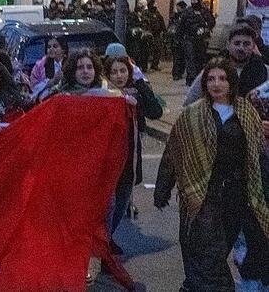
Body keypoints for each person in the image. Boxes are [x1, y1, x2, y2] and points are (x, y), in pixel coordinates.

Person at [155, 58, 269, 290]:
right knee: (209, 261)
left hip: (236, 196)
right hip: (203, 195)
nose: (217, 84)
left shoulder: (247, 112)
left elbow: (257, 156)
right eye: (211, 79)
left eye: (222, 78)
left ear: (231, 82)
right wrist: (163, 189)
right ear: (205, 83)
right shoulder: (192, 115)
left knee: (216, 254)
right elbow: (173, 152)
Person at [103, 56, 163, 243]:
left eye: (123, 71)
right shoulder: (101, 95)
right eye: (114, 72)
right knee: (109, 206)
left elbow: (155, 112)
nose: (119, 75)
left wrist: (141, 83)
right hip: (107, 163)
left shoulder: (136, 93)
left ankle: (107, 240)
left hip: (129, 162)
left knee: (121, 205)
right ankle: (104, 245)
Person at [184, 24, 268, 106]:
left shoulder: (265, 71)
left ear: (253, 46)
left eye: (246, 44)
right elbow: (190, 101)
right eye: (237, 43)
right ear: (228, 45)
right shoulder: (212, 70)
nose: (241, 48)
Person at [178, 0, 215, 86]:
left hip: (201, 39)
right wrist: (179, 37)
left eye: (195, 0)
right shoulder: (187, 12)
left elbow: (211, 22)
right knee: (190, 58)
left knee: (200, 59)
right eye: (192, 0)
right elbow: (181, 25)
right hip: (189, 39)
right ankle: (191, 78)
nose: (193, 2)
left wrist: (205, 28)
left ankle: (198, 78)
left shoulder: (204, 11)